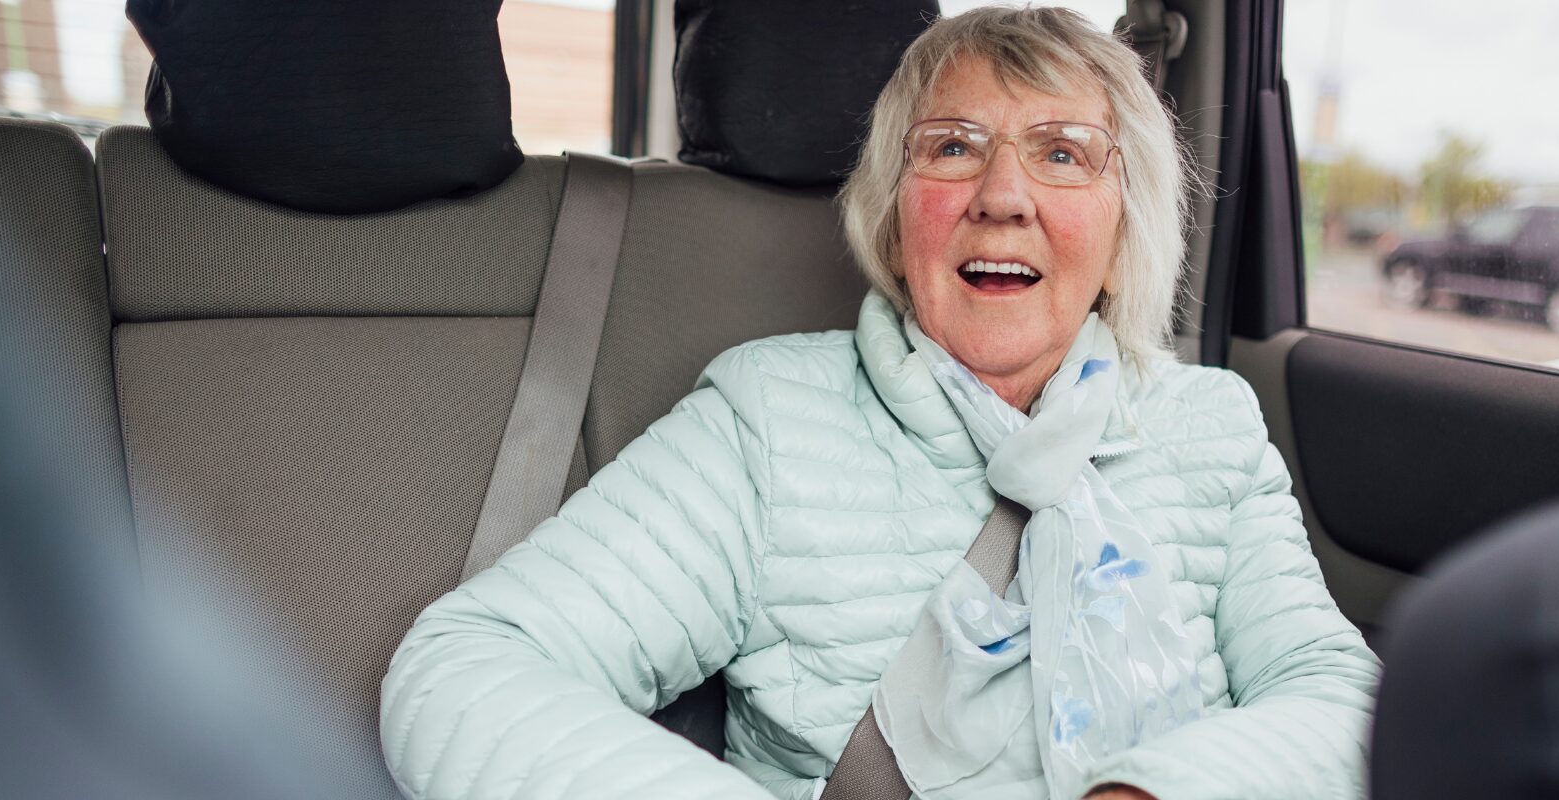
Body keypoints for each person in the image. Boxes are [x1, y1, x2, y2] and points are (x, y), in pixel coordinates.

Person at [380, 8, 1378, 800]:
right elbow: (467, 668)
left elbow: (1346, 698)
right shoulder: (772, 418)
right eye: (951, 147)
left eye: (1063, 152)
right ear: (897, 220)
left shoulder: (1210, 423)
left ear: (1125, 230)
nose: (1002, 193)